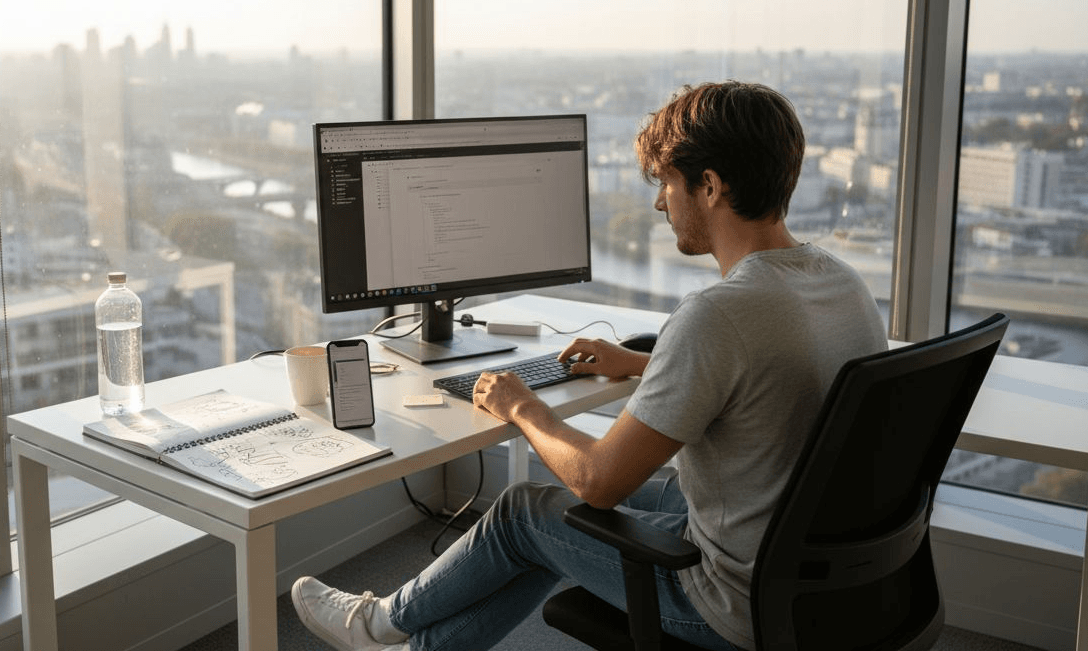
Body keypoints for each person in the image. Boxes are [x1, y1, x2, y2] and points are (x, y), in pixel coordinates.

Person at [290, 81, 888, 651]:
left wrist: (521, 405)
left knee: (526, 512)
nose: (659, 201)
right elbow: (765, 380)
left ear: (709, 185)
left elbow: (600, 481)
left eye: (667, 182)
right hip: (820, 584)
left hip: (731, 605)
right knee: (651, 494)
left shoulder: (717, 316)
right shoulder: (841, 282)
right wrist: (636, 362)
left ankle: (374, 623)